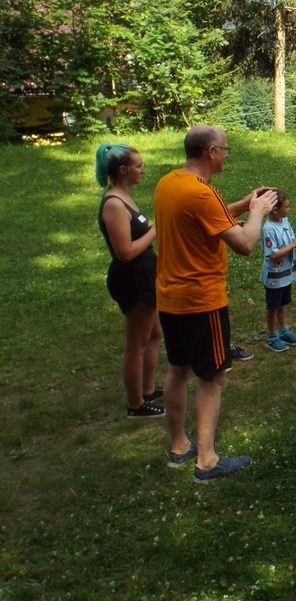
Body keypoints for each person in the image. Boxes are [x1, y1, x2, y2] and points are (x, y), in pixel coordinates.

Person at [155, 125, 277, 482]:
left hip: (170, 297)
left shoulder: (170, 183)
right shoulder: (200, 193)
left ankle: (179, 446)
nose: (226, 155)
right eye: (225, 149)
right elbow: (244, 243)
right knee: (211, 377)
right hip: (201, 301)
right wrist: (258, 212)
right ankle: (206, 461)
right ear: (210, 151)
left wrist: (245, 203)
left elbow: (211, 217)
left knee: (178, 368)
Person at [95, 143, 163, 419]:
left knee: (154, 335)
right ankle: (136, 405)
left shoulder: (124, 196)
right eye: (139, 165)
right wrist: (157, 229)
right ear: (123, 170)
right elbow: (125, 253)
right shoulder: (114, 204)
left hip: (144, 274)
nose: (143, 170)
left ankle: (147, 389)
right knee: (136, 344)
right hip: (132, 278)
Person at [260, 189, 296, 352]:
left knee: (281, 304)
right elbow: (272, 255)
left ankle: (284, 331)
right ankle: (272, 336)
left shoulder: (284, 220)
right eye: (286, 207)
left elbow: (290, 238)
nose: (289, 209)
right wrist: (292, 245)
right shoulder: (268, 229)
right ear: (275, 210)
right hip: (274, 277)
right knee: (273, 306)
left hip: (285, 273)